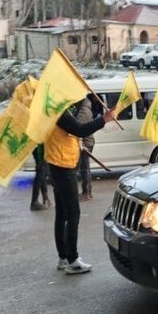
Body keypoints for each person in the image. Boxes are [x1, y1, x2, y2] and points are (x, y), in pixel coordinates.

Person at [46, 101, 113, 275]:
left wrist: (77, 142)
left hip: (58, 163)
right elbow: (80, 129)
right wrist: (104, 119)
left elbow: (69, 133)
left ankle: (63, 256)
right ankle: (72, 260)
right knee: (72, 213)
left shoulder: (51, 107)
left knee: (62, 213)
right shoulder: (57, 109)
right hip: (62, 165)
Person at [76, 97, 94, 202]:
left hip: (85, 142)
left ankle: (86, 192)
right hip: (84, 141)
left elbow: (78, 126)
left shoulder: (84, 111)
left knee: (84, 168)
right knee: (84, 168)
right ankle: (87, 191)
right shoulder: (83, 108)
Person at [30, 144, 50, 211]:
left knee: (42, 174)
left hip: (39, 148)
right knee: (40, 175)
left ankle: (45, 198)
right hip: (40, 149)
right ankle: (34, 202)